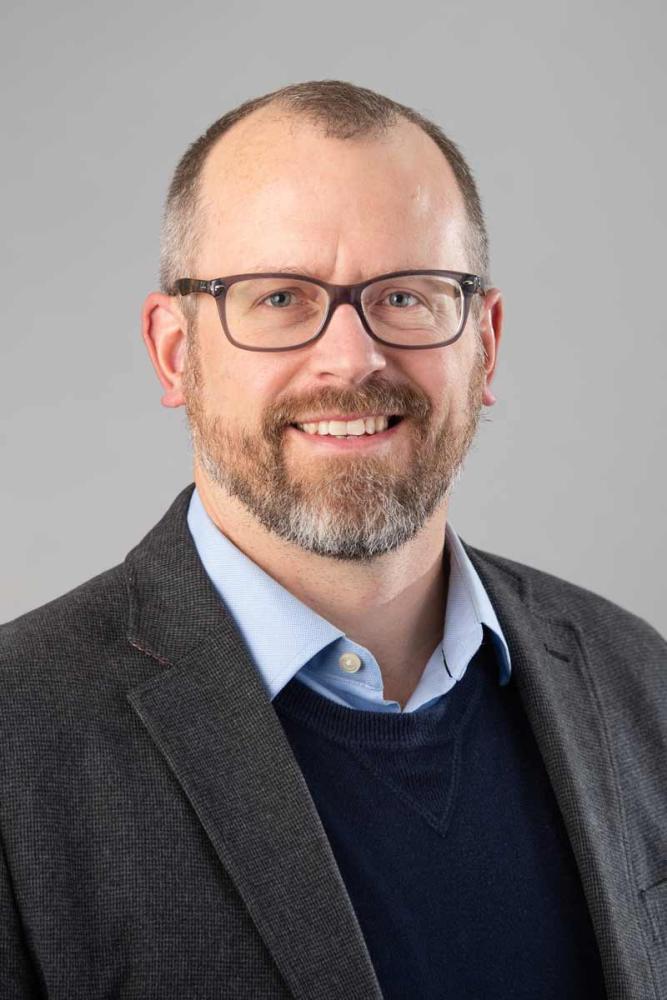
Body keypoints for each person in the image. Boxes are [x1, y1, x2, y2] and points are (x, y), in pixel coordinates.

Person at [0, 80, 664, 1000]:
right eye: (277, 297)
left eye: (406, 294)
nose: (352, 359)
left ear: (487, 344)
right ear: (174, 353)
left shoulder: (639, 681)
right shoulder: (16, 738)